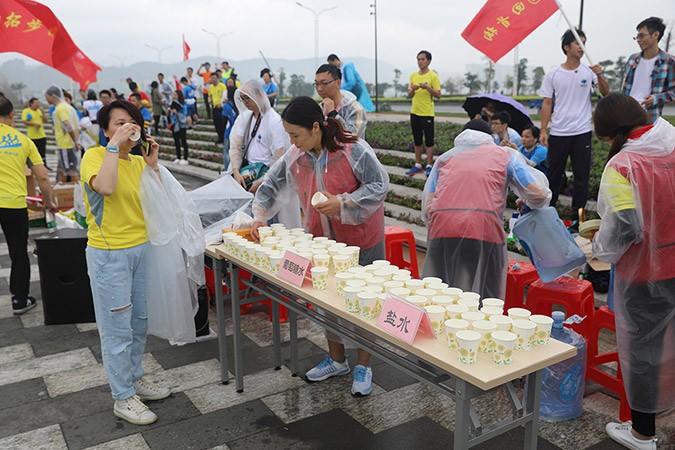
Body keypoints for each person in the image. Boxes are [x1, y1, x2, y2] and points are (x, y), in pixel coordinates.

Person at [251, 96, 389, 396]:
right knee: (328, 301)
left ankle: (364, 365)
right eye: (289, 135)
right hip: (322, 242)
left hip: (360, 241)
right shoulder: (295, 156)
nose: (293, 141)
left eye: (296, 135)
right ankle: (337, 359)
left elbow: (379, 186)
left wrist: (342, 202)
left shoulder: (352, 150)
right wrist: (260, 216)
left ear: (316, 127)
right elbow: (271, 185)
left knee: (364, 303)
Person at [591, 93, 674, 450]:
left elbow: (625, 227)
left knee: (644, 354)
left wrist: (597, 246)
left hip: (645, 274)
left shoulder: (623, 166)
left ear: (612, 134)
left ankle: (642, 434)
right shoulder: (671, 144)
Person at [80, 100, 171, 425]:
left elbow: (160, 204)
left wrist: (153, 164)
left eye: (132, 122)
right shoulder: (94, 157)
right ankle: (122, 397)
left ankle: (134, 379)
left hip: (140, 250)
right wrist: (114, 147)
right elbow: (105, 187)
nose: (128, 127)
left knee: (138, 323)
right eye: (119, 123)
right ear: (105, 130)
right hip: (109, 255)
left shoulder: (137, 163)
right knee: (116, 329)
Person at [422, 119, 551, 298]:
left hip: (442, 228)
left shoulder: (445, 158)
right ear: (488, 136)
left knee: (440, 291)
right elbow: (539, 194)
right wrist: (526, 201)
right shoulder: (505, 155)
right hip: (483, 228)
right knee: (485, 294)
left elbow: (428, 208)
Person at [540, 29, 610, 222]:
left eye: (584, 43)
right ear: (566, 47)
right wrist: (544, 129)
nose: (582, 47)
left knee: (581, 177)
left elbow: (605, 93)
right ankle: (547, 214)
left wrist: (601, 75)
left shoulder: (589, 71)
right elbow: (547, 103)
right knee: (554, 176)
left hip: (582, 132)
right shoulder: (553, 73)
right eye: (578, 43)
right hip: (559, 132)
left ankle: (578, 218)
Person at [0, 96, 57, 315]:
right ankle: (20, 300)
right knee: (17, 252)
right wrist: (49, 202)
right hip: (14, 205)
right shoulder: (23, 140)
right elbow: (42, 176)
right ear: (13, 115)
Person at [229, 80, 288, 194]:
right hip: (247, 173)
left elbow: (279, 156)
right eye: (242, 99)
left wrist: (263, 180)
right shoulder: (245, 118)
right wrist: (236, 171)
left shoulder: (274, 120)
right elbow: (236, 146)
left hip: (265, 175)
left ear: (259, 95)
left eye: (247, 98)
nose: (245, 102)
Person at [622, 17, 675, 123]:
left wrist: (656, 98)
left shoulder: (669, 61)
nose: (638, 40)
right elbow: (624, 89)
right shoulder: (633, 59)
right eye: (637, 36)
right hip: (627, 115)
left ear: (655, 35)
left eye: (641, 36)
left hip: (650, 117)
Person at [405, 50, 441, 177]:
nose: (420, 62)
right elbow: (409, 95)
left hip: (427, 113)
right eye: (418, 59)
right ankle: (418, 165)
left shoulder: (433, 76)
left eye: (422, 59)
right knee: (417, 140)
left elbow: (438, 95)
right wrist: (412, 90)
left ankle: (429, 164)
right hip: (415, 112)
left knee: (429, 140)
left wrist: (428, 88)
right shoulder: (413, 76)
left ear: (429, 61)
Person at [314, 64, 367, 138]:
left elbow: (352, 136)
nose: (319, 89)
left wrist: (333, 114)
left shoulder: (355, 109)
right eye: (317, 84)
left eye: (324, 83)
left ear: (338, 83)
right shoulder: (319, 109)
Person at [45, 85, 81, 182]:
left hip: (66, 144)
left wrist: (75, 142)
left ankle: (74, 192)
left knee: (70, 171)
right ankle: (63, 191)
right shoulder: (65, 107)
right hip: (66, 144)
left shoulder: (61, 108)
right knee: (64, 169)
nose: (46, 99)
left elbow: (68, 125)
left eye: (46, 96)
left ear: (52, 96)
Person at [21, 98, 48, 166]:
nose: (37, 105)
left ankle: (44, 165)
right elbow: (24, 121)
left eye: (38, 103)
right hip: (32, 136)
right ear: (31, 104)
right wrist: (34, 123)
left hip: (41, 135)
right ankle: (33, 165)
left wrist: (43, 112)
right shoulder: (26, 111)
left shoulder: (39, 111)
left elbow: (45, 120)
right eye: (36, 103)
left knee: (42, 152)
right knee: (33, 153)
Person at [220, 81, 238, 169]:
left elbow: (223, 120)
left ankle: (227, 168)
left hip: (229, 131)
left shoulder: (227, 106)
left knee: (226, 151)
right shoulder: (239, 105)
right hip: (237, 132)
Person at [169, 95, 189, 165]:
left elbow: (184, 115)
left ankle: (185, 158)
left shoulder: (183, 106)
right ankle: (178, 157)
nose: (174, 96)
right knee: (176, 141)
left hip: (181, 126)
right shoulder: (173, 105)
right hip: (175, 125)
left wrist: (177, 113)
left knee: (183, 141)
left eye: (175, 95)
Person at [209, 73, 227, 144]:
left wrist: (221, 103)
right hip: (214, 108)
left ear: (217, 78)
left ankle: (225, 139)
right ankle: (220, 138)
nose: (213, 80)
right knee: (217, 124)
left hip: (222, 108)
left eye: (214, 78)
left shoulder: (222, 86)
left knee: (223, 124)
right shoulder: (210, 87)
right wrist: (209, 100)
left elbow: (225, 96)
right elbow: (209, 95)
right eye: (212, 78)